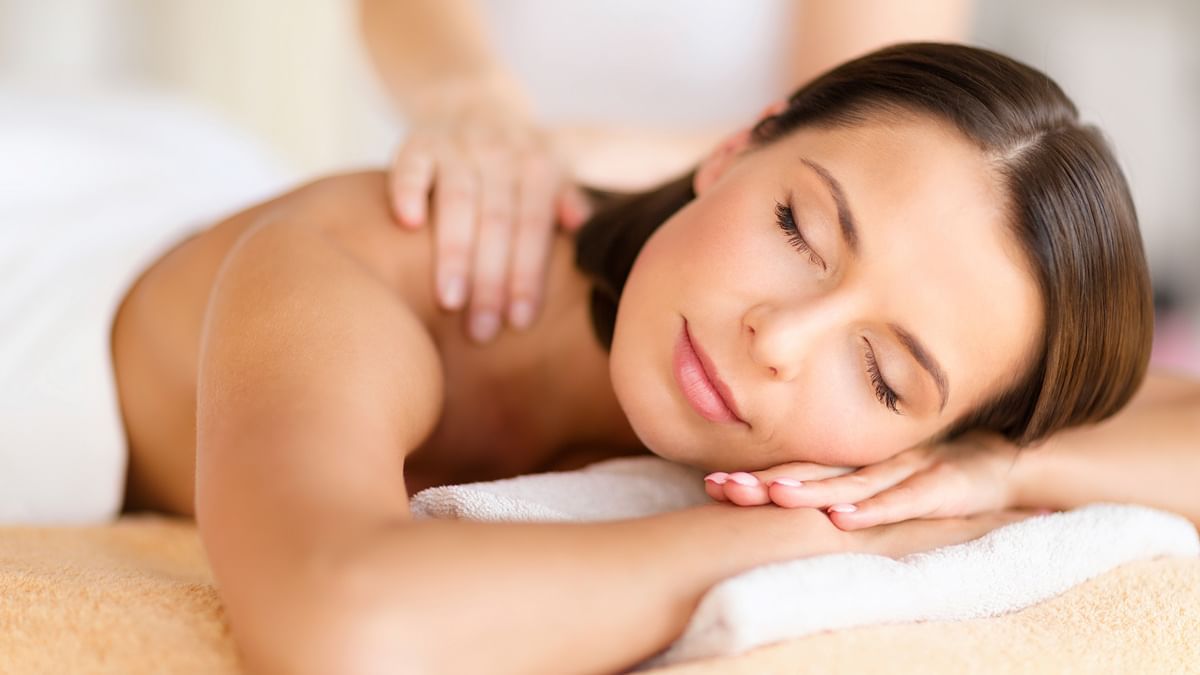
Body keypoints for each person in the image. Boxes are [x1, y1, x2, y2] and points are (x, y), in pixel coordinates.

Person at [16, 43, 1200, 673]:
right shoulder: (363, 267)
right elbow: (345, 631)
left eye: (885, 377)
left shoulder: (961, 413)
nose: (777, 341)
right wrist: (808, 533)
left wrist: (1002, 473)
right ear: (733, 150)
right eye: (798, 227)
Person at [357, 0, 974, 343]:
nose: (778, 343)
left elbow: (870, 144)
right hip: (457, 181)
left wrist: (577, 156)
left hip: (671, 227)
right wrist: (474, 107)